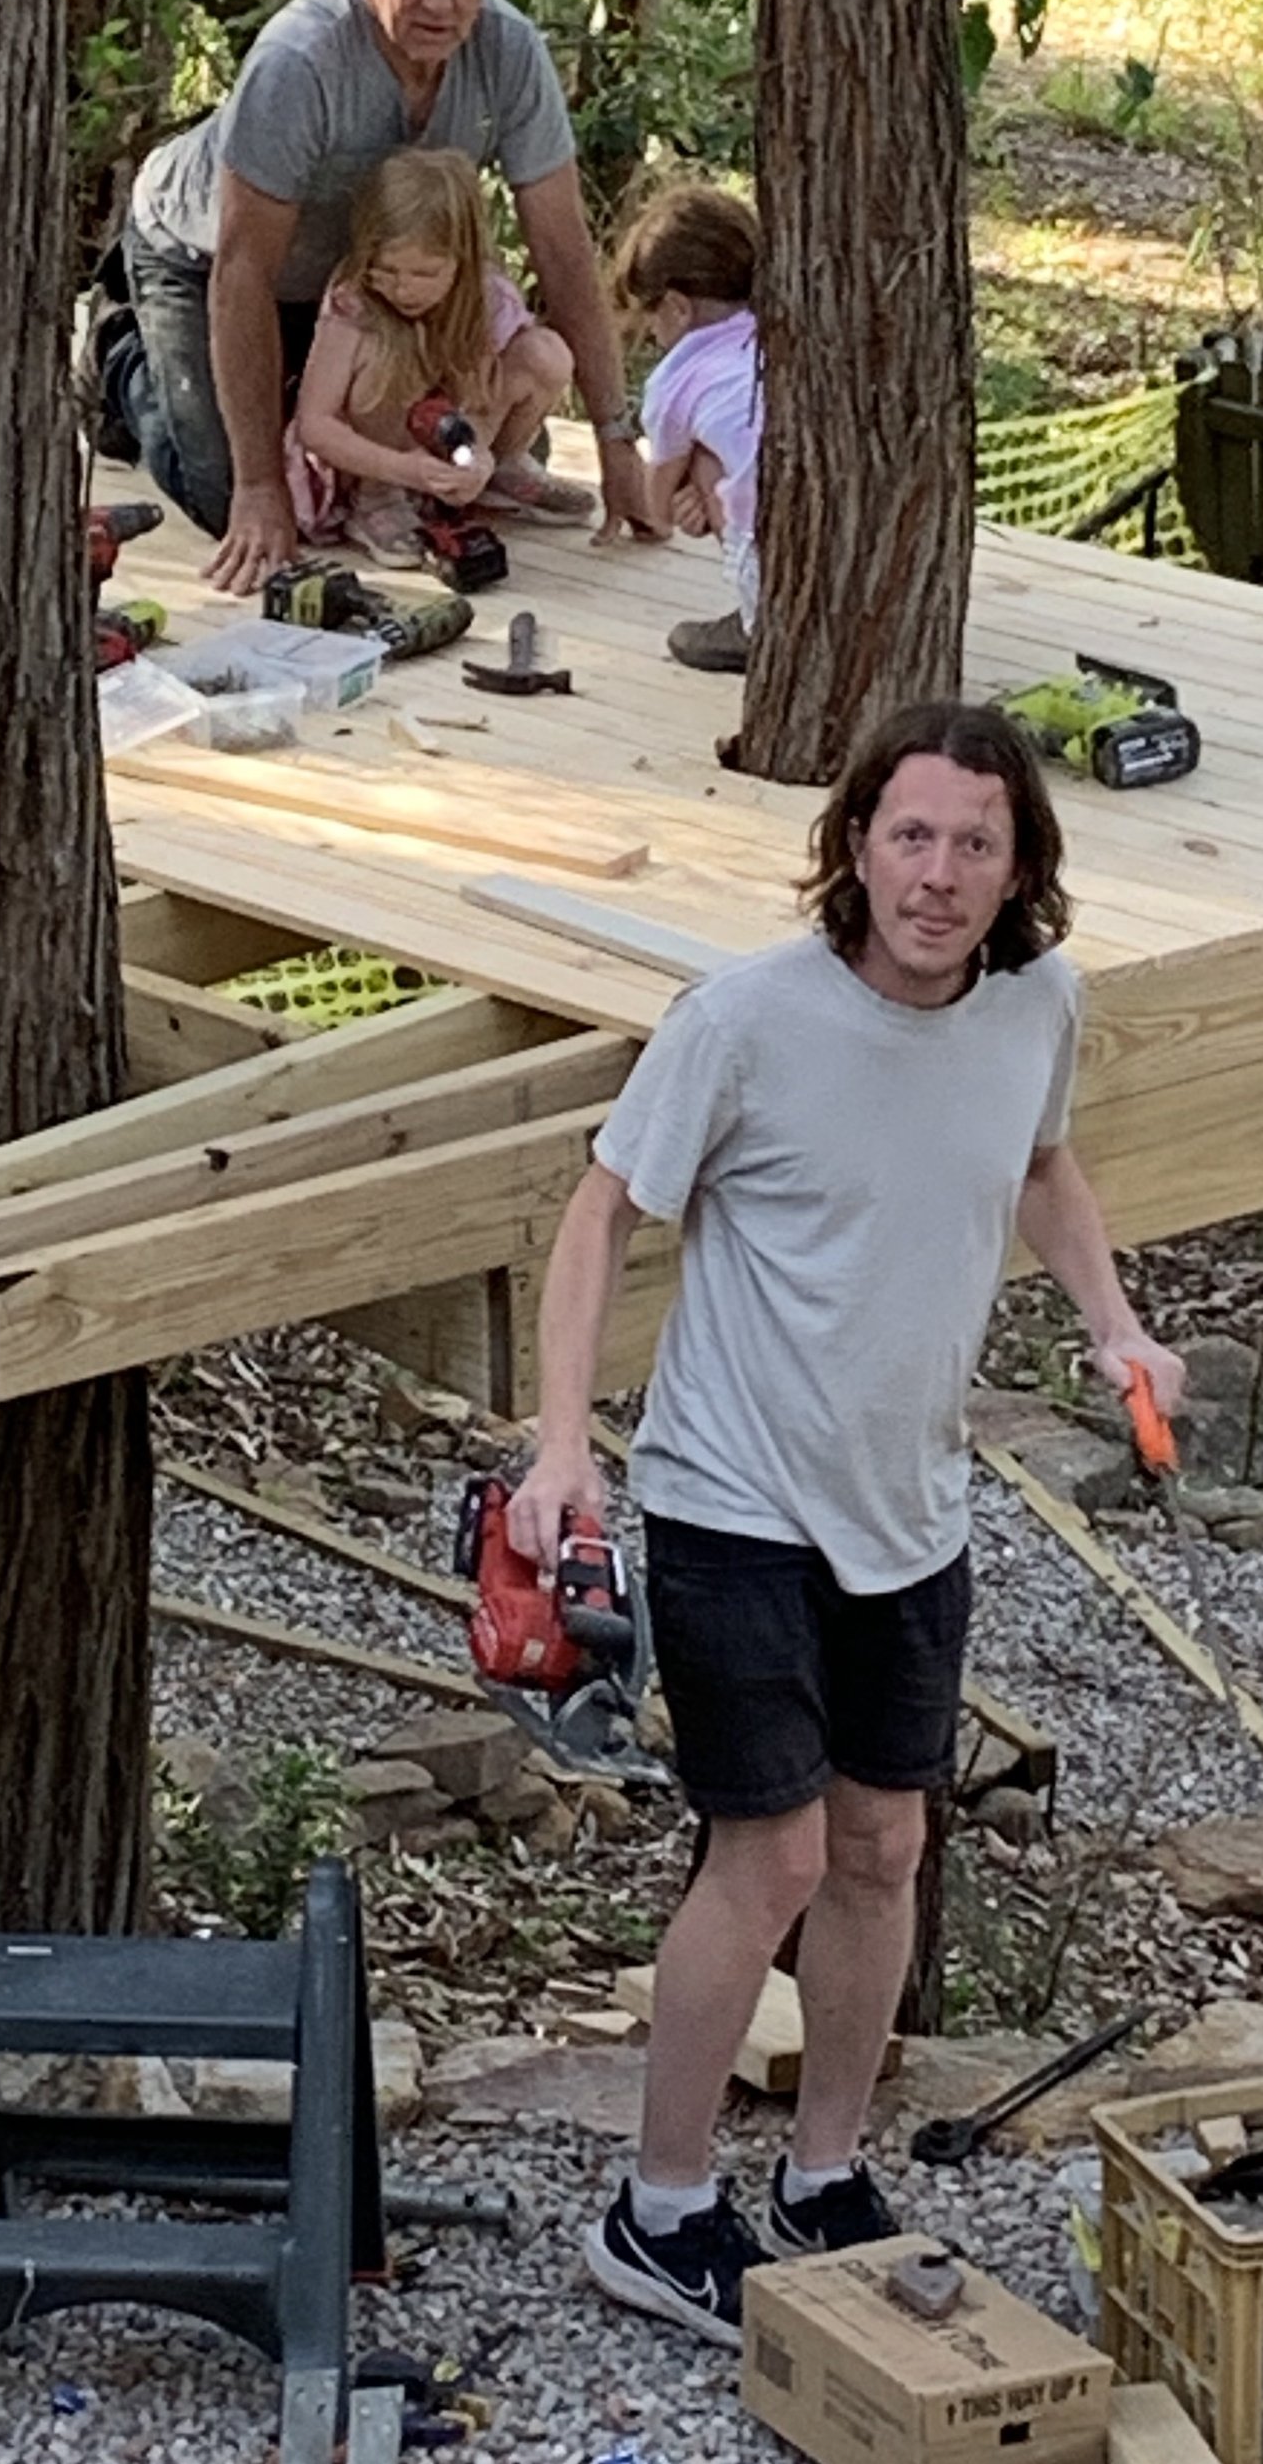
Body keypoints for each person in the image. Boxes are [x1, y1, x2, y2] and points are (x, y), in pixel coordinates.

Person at [506, 700, 1183, 2348]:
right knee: (778, 1852)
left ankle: (821, 2175)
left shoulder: (1039, 1004)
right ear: (857, 843)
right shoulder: (746, 1017)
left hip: (912, 1509)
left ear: (1019, 865)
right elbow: (601, 1210)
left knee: (886, 1844)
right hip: (735, 1499)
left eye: (974, 842)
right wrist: (562, 1441)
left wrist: (1112, 1321)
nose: (937, 874)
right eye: (910, 834)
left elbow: (1044, 1163)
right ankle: (658, 2207)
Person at [103, 0, 656, 586]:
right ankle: (118, 359)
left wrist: (619, 444)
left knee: (465, 456)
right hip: (205, 258)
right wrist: (261, 485)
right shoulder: (300, 61)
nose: (440, 0)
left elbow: (563, 251)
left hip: (364, 288)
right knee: (239, 496)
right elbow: (242, 275)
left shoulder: (510, 52)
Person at [288, 147, 598, 564]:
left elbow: (480, 394)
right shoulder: (356, 303)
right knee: (395, 358)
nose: (404, 289)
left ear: (463, 260)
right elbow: (315, 424)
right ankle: (376, 501)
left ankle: (495, 472)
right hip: (377, 460)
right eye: (388, 270)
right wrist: (403, 470)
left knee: (546, 354)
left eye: (424, 274)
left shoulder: (487, 298)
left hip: (442, 437)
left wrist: (475, 455)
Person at [619, 181, 764, 675]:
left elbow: (656, 510)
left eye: (649, 311)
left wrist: (689, 497)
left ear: (678, 307)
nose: (650, 330)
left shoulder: (678, 378)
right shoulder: (783, 335)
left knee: (704, 459)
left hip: (775, 558)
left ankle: (757, 620)